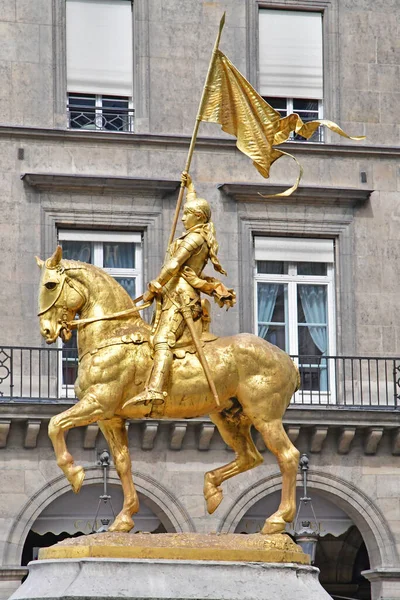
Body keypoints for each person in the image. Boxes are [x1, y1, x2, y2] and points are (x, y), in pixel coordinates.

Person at [124, 172, 235, 408]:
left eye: (187, 214)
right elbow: (192, 207)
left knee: (163, 339)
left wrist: (157, 283)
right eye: (183, 213)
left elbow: (174, 264)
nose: (183, 218)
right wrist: (190, 188)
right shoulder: (197, 233)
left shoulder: (195, 239)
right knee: (154, 336)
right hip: (173, 294)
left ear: (198, 217)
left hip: (181, 297)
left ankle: (154, 389)